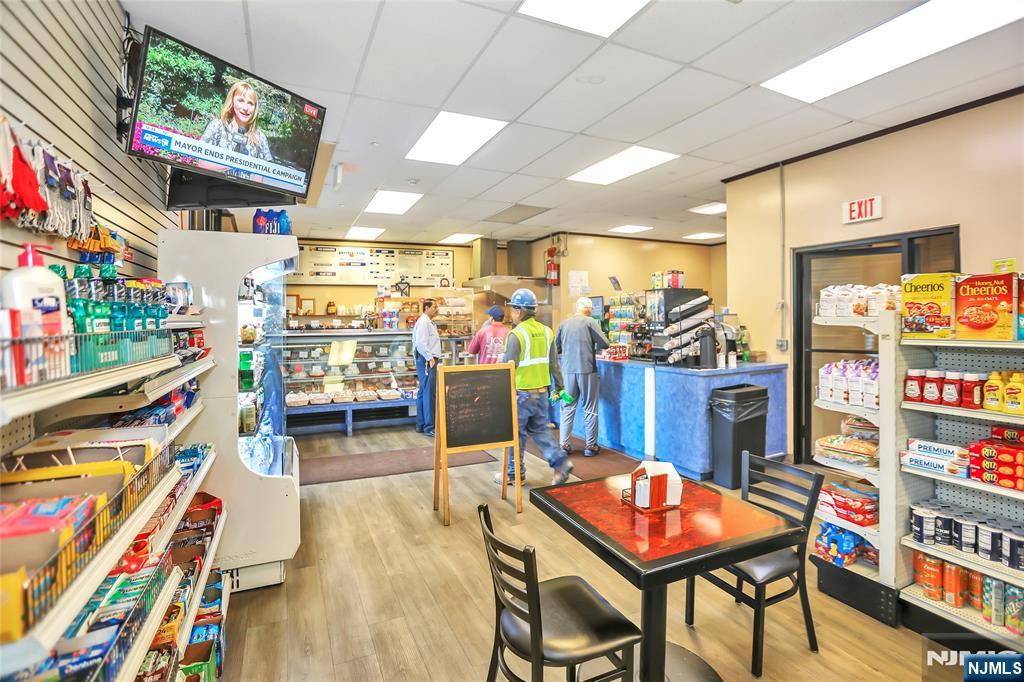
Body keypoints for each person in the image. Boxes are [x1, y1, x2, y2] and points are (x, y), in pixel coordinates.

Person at [494, 288, 573, 486]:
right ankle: (561, 463)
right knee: (540, 430)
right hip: (542, 393)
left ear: (519, 311)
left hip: (521, 394)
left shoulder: (516, 334)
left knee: (515, 434)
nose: (511, 312)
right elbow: (554, 364)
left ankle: (514, 473)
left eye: (513, 309)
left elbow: (508, 368)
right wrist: (560, 387)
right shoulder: (547, 332)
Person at [556, 297, 610, 457]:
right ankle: (590, 446)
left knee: (567, 407)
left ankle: (564, 445)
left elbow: (556, 347)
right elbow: (605, 343)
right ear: (590, 309)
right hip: (587, 370)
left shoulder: (564, 324)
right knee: (590, 407)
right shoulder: (590, 322)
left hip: (567, 371)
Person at [200, 81, 273, 161]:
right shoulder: (217, 126)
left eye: (250, 103)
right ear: (232, 101)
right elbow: (201, 161)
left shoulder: (259, 137)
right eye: (241, 101)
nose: (245, 108)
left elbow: (268, 167)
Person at [412, 298, 442, 437]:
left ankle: (421, 424)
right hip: (426, 360)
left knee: (423, 392)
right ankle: (429, 427)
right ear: (426, 308)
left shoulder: (428, 322)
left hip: (427, 359)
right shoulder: (424, 322)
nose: (436, 309)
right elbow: (421, 343)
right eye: (434, 307)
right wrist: (430, 358)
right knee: (429, 393)